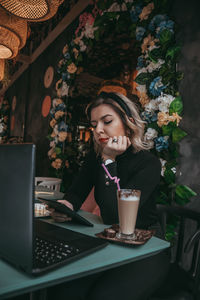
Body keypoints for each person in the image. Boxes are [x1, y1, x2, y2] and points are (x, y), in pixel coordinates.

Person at [47, 91, 169, 300]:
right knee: (65, 291)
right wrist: (65, 206)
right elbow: (76, 193)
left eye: (107, 121)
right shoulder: (95, 158)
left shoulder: (148, 163)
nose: (98, 130)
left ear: (129, 122)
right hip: (109, 239)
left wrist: (109, 160)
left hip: (147, 246)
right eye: (94, 124)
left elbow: (116, 216)